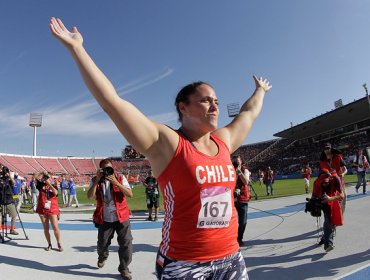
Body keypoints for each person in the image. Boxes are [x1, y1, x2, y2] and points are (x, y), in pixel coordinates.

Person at [50, 17, 271, 279]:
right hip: (184, 263)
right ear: (183, 107)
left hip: (230, 257)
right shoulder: (167, 143)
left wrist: (261, 91)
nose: (215, 106)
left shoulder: (224, 141)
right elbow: (112, 103)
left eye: (217, 101)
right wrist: (78, 49)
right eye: (205, 100)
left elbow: (248, 114)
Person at [87, 158, 133, 280]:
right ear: (100, 170)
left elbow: (130, 194)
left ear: (113, 168)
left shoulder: (120, 178)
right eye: (105, 169)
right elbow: (90, 197)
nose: (108, 171)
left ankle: (124, 268)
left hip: (121, 216)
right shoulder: (95, 180)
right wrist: (97, 180)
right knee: (102, 243)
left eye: (110, 168)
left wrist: (116, 183)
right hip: (105, 218)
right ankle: (102, 256)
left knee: (126, 243)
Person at [311, 169, 344, 252]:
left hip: (333, 199)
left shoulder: (335, 179)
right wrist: (312, 205)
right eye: (323, 182)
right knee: (328, 220)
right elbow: (314, 196)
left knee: (330, 221)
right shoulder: (317, 182)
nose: (325, 184)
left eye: (326, 181)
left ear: (330, 177)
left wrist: (330, 198)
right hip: (322, 201)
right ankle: (327, 241)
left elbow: (342, 195)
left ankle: (327, 242)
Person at [36, 171, 63, 252]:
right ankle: (49, 244)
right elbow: (34, 177)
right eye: (47, 177)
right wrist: (41, 173)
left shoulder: (54, 184)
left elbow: (56, 193)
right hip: (43, 208)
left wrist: (49, 184)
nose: (48, 178)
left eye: (49, 177)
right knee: (46, 228)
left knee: (55, 227)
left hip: (52, 208)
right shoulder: (40, 185)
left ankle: (59, 243)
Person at [320, 143, 347, 213]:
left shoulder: (337, 157)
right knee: (332, 200)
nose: (327, 150)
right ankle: (333, 216)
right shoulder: (323, 160)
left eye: (328, 148)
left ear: (330, 148)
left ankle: (341, 215)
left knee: (343, 197)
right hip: (330, 182)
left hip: (339, 180)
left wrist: (343, 174)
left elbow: (345, 169)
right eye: (325, 149)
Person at [232, 155, 251, 247]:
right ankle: (233, 239)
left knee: (243, 222)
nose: (235, 163)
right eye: (234, 162)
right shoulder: (230, 171)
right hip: (232, 200)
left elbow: (246, 182)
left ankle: (239, 238)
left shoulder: (245, 170)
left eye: (237, 161)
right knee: (232, 222)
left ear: (241, 161)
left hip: (243, 200)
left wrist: (239, 172)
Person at [0, 166, 19, 235]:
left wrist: (10, 176)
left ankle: (12, 229)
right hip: (1, 201)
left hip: (9, 200)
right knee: (2, 217)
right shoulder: (0, 179)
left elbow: (14, 183)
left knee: (14, 215)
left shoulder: (10, 180)